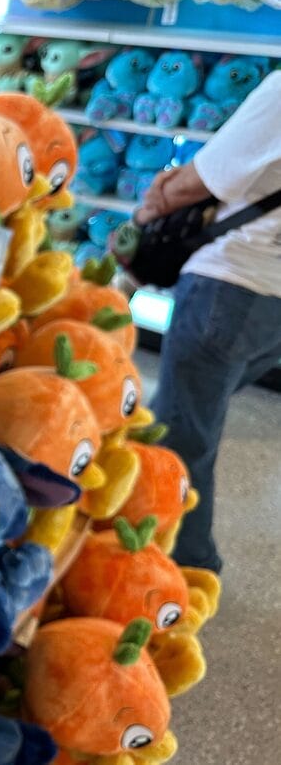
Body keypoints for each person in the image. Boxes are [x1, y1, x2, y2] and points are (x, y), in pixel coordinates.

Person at [134, 70, 281, 574]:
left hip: (234, 282)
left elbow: (198, 181)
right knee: (184, 416)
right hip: (272, 301)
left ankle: (185, 571)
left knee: (181, 440)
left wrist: (160, 193)